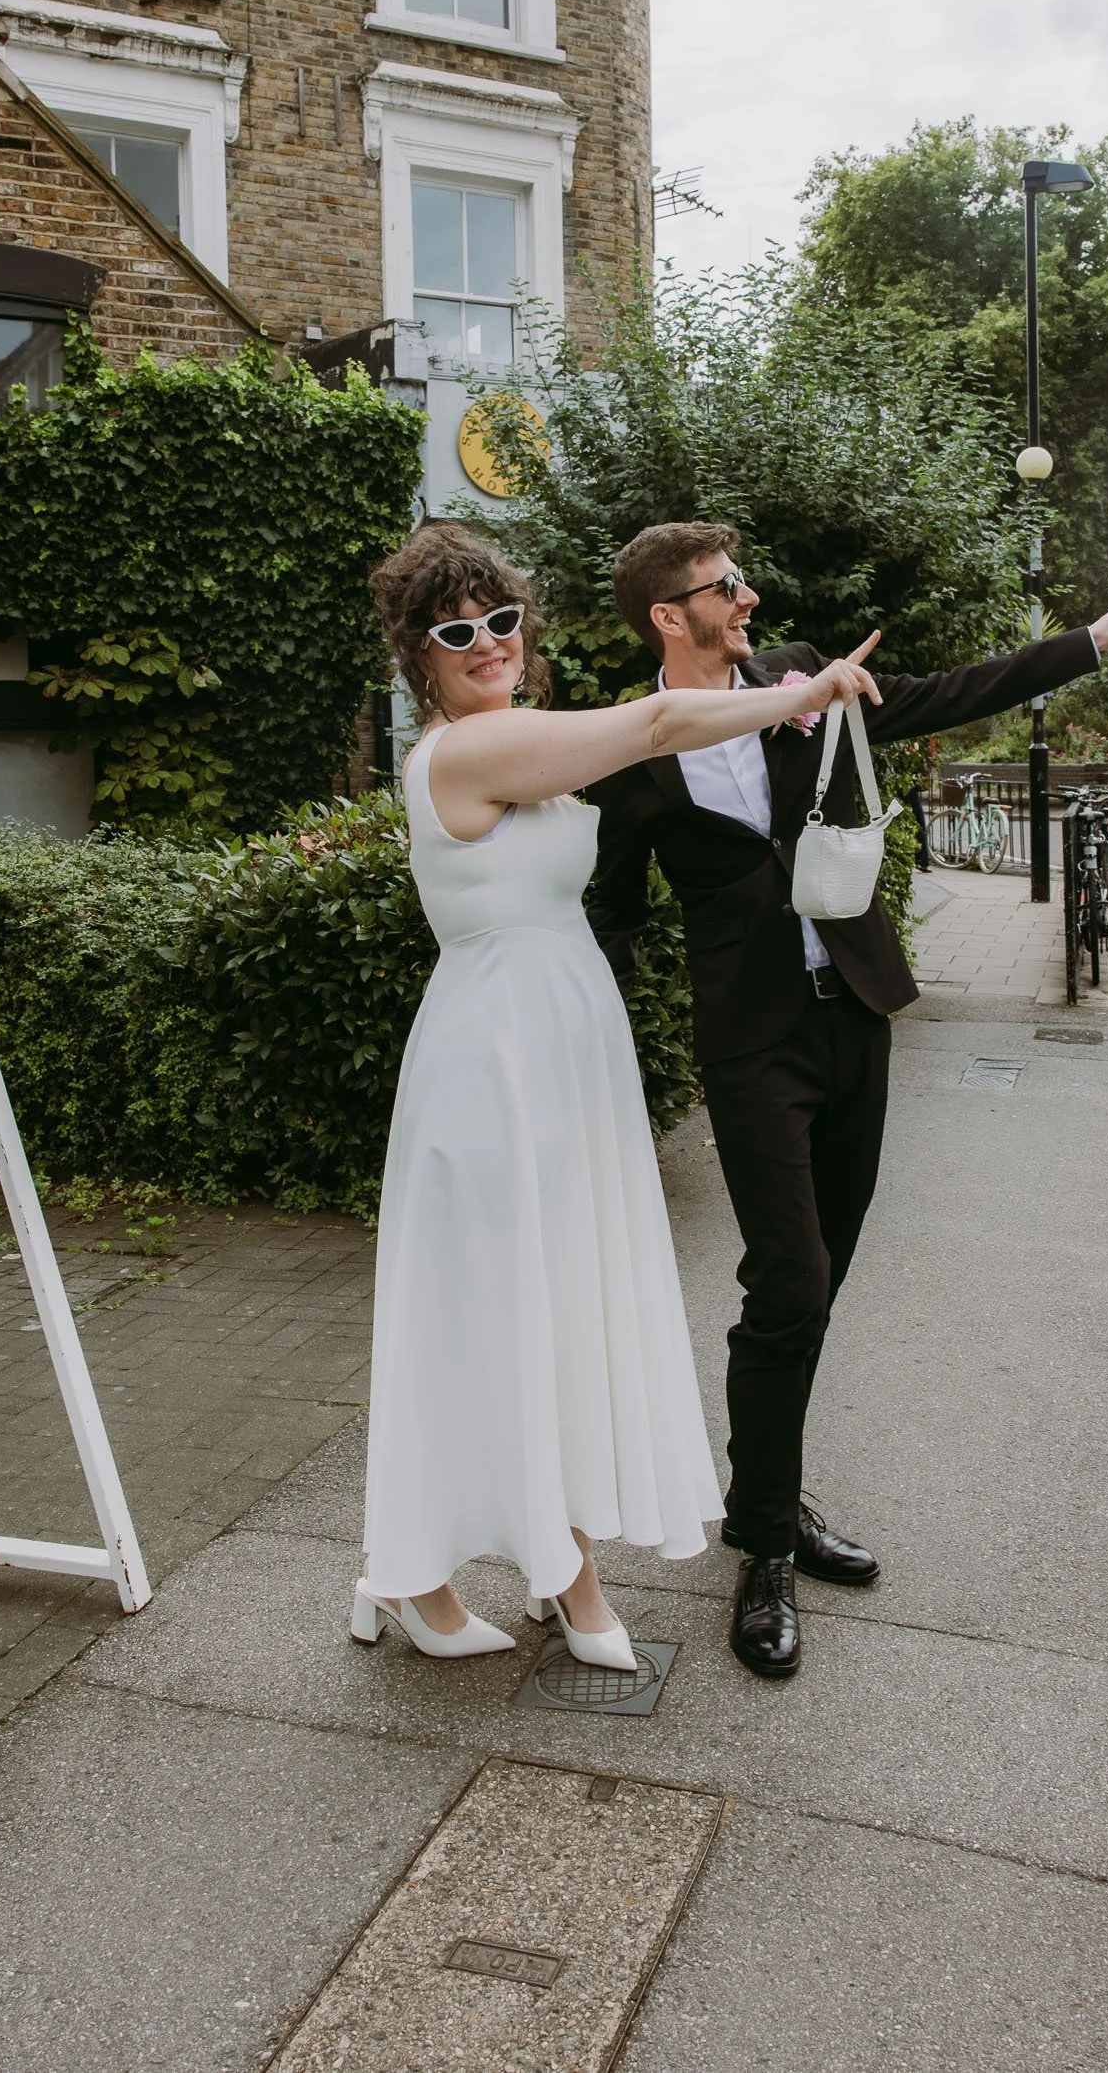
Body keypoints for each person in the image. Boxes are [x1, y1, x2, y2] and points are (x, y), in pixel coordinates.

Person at [587, 523, 1108, 1678]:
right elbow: (611, 911)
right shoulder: (629, 750)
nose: (746, 598)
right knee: (783, 1277)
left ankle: (772, 1499)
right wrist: (584, 1055)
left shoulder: (801, 678)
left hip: (852, 1013)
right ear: (665, 616)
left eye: (741, 580)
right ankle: (763, 1553)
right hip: (747, 1046)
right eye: (722, 587)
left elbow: (947, 693)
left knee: (818, 1276)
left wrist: (1093, 639)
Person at [352, 522, 882, 1668]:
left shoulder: (519, 737)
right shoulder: (460, 753)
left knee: (561, 1306)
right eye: (457, 630)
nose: (487, 642)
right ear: (421, 654)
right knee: (498, 1318)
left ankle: (543, 1561)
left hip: (561, 1045)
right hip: (492, 1058)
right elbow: (652, 723)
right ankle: (438, 1578)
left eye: (501, 619)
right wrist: (808, 687)